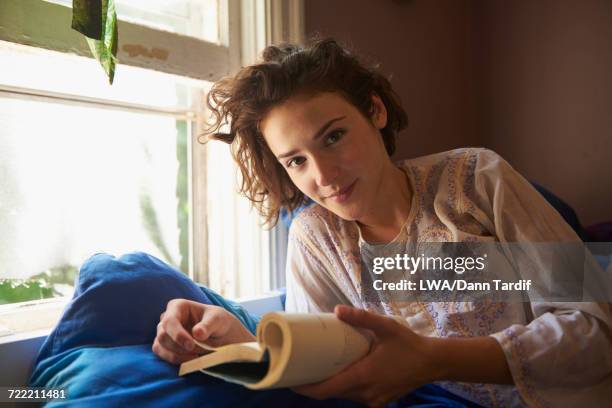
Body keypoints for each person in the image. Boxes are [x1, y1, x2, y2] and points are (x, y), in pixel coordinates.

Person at [152, 38, 612, 407]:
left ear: (375, 110)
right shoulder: (315, 239)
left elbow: (596, 331)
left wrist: (433, 360)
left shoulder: (477, 179)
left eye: (333, 137)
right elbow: (318, 361)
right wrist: (234, 338)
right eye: (296, 161)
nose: (323, 176)